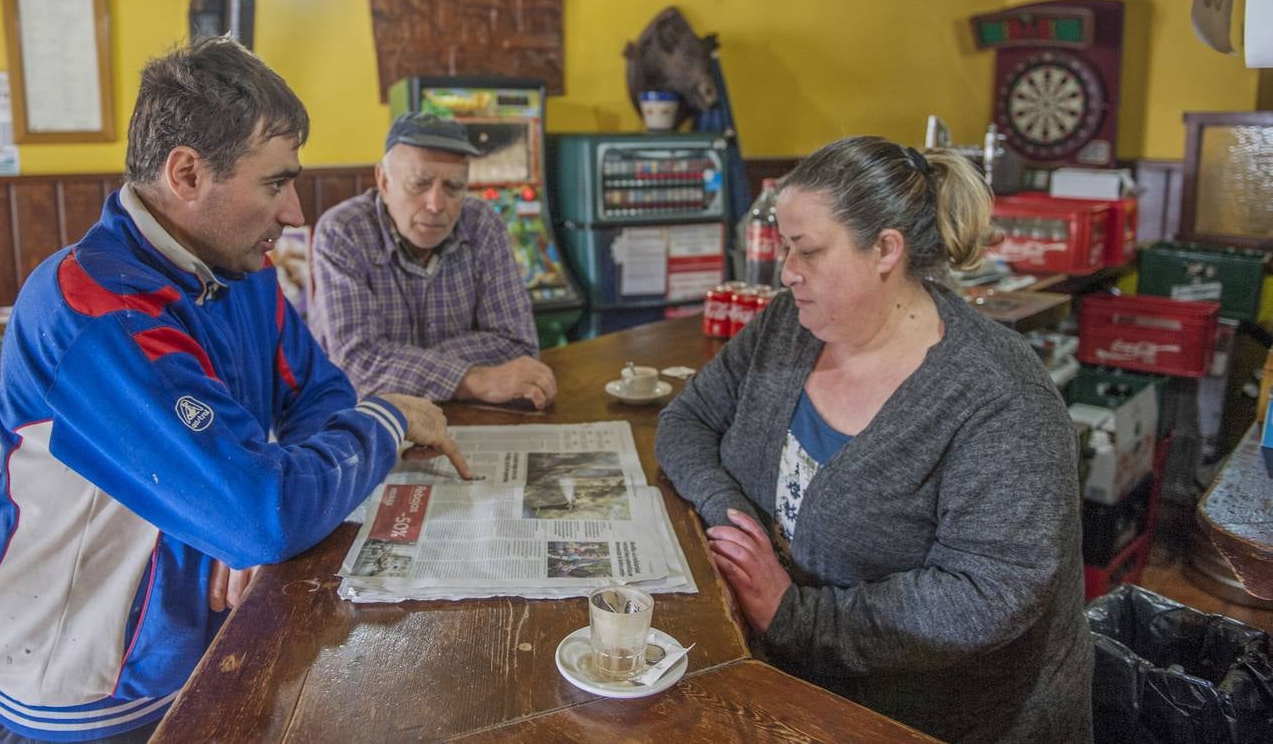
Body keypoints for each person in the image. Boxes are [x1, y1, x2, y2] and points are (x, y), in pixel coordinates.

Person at [0, 38, 469, 743]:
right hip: (80, 691)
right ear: (188, 173)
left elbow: (317, 395)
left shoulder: (237, 268)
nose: (293, 211)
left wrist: (249, 515)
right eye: (274, 183)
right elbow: (263, 510)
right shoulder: (96, 309)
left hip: (199, 648)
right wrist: (381, 423)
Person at [656, 136, 1092, 743]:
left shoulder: (1000, 397)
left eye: (807, 251)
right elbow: (687, 420)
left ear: (887, 249)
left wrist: (794, 615)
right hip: (788, 680)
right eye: (786, 247)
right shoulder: (790, 325)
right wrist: (734, 523)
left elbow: (989, 595)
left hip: (937, 721)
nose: (787, 273)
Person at [309, 111, 557, 409]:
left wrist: (400, 360)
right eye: (419, 183)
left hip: (457, 417)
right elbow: (357, 366)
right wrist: (475, 380)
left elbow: (518, 345)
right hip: (359, 419)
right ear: (384, 181)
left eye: (453, 187)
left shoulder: (483, 225)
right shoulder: (343, 231)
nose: (436, 204)